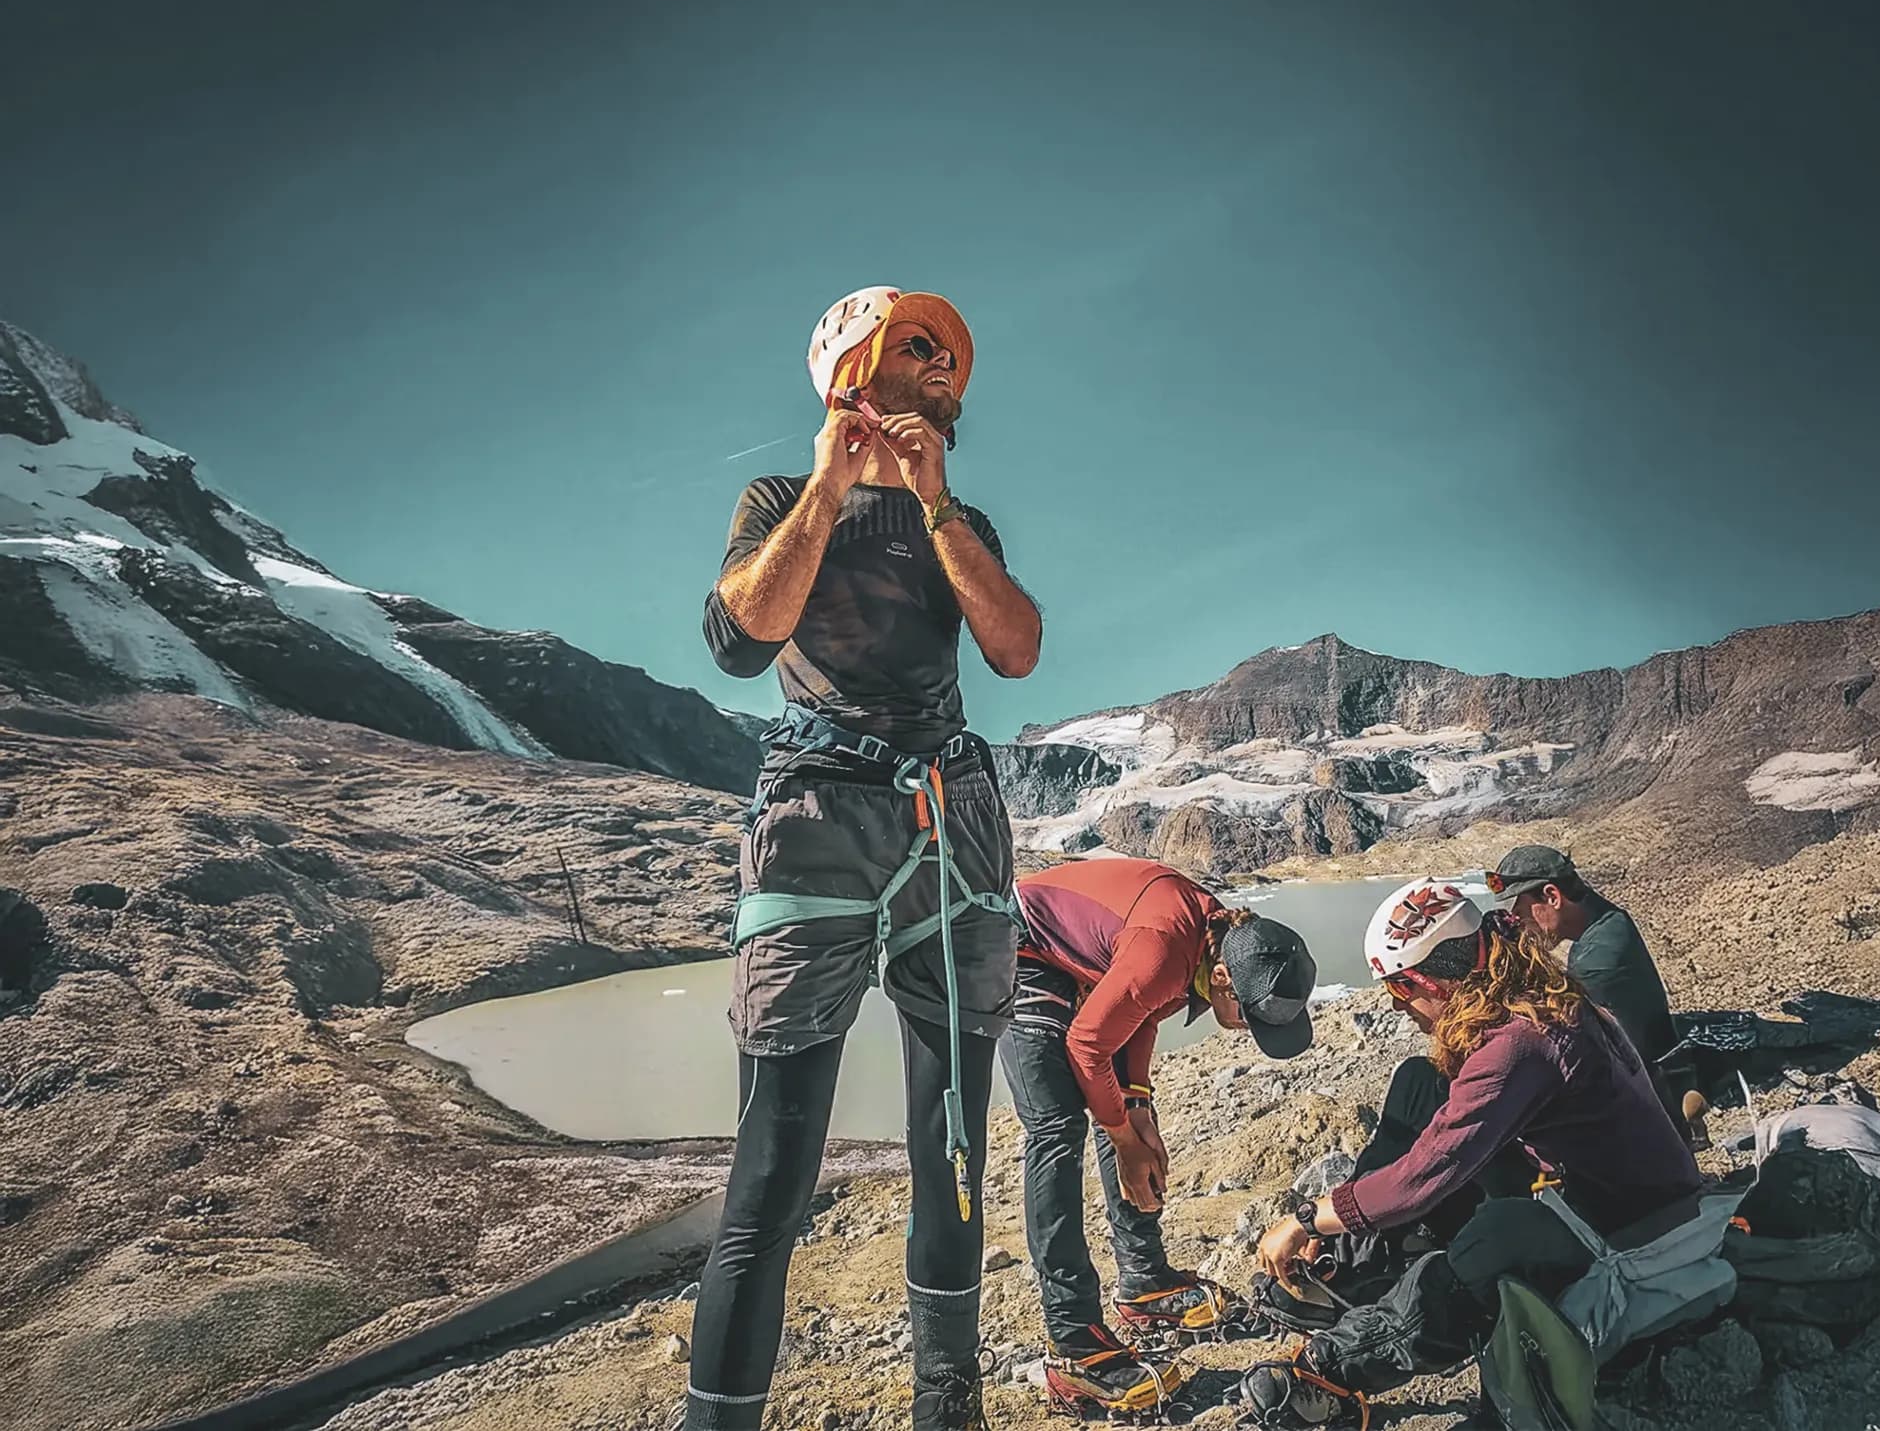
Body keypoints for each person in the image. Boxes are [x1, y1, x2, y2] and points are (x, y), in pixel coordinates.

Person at [686, 287, 1044, 1431]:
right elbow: (741, 639)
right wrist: (833, 488)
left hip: (953, 815)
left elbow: (1016, 647)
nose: (949, 373)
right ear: (854, 364)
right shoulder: (780, 500)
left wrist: (936, 505)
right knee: (775, 1167)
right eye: (922, 350)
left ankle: (952, 1408)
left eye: (956, 360)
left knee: (952, 1145)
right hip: (817, 813)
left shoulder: (960, 518)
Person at [1236, 884, 1702, 1429]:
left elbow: (1424, 1176)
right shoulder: (1525, 990)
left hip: (1625, 1223)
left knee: (1487, 1243)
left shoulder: (1517, 1045)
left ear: (1429, 981)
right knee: (1420, 1081)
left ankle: (1334, 1371)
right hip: (1606, 1180)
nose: (1395, 1005)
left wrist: (1306, 1217)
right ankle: (1360, 1255)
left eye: (1399, 989)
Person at [1006, 858, 1319, 1416]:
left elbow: (1140, 1016)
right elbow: (1088, 1045)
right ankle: (1074, 1342)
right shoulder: (1165, 950)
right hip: (1019, 946)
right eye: (1251, 1018)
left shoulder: (1213, 941)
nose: (1249, 1030)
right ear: (1223, 978)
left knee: (1121, 1112)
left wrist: (1139, 1109)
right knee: (1057, 1128)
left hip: (1081, 964)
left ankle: (1143, 1281)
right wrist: (1125, 1137)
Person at [1483, 845, 1675, 1065]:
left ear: (1552, 896)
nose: (1521, 927)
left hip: (1647, 1082)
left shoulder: (1594, 963)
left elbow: (1558, 1039)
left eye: (1520, 913)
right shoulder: (1607, 919)